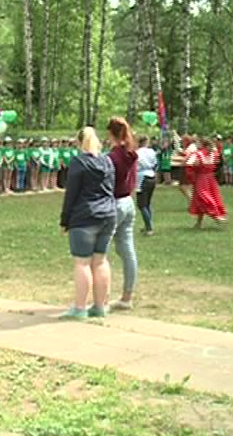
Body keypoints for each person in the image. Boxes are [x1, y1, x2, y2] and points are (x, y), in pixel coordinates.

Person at [59, 127, 116, 320]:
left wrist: (65, 220)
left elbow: (71, 193)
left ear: (79, 142)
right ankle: (100, 306)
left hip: (85, 216)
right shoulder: (107, 161)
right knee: (100, 260)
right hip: (108, 214)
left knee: (82, 262)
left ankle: (80, 307)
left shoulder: (79, 162)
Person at [106, 117, 138, 312]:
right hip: (128, 201)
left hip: (115, 202)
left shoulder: (113, 157)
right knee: (127, 251)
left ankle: (101, 297)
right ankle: (127, 296)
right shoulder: (130, 152)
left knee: (100, 251)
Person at [186, 138, 227, 228]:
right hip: (206, 179)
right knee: (204, 198)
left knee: (204, 198)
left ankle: (209, 218)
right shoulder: (203, 154)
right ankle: (212, 217)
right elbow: (189, 166)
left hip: (205, 179)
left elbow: (189, 166)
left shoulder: (202, 154)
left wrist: (192, 177)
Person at [136, 135, 158, 236]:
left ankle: (149, 228)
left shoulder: (137, 153)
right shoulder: (152, 151)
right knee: (148, 203)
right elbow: (156, 164)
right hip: (152, 176)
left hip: (142, 178)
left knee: (142, 204)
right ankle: (148, 225)